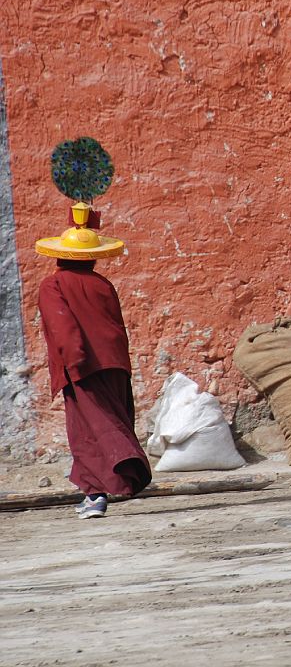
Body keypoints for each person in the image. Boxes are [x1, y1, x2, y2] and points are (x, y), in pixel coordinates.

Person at [36, 202, 151, 518]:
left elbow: (63, 327)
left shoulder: (53, 285)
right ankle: (95, 492)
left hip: (82, 365)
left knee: (89, 430)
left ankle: (102, 490)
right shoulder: (103, 284)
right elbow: (115, 326)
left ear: (59, 255)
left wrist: (74, 364)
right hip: (115, 363)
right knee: (105, 422)